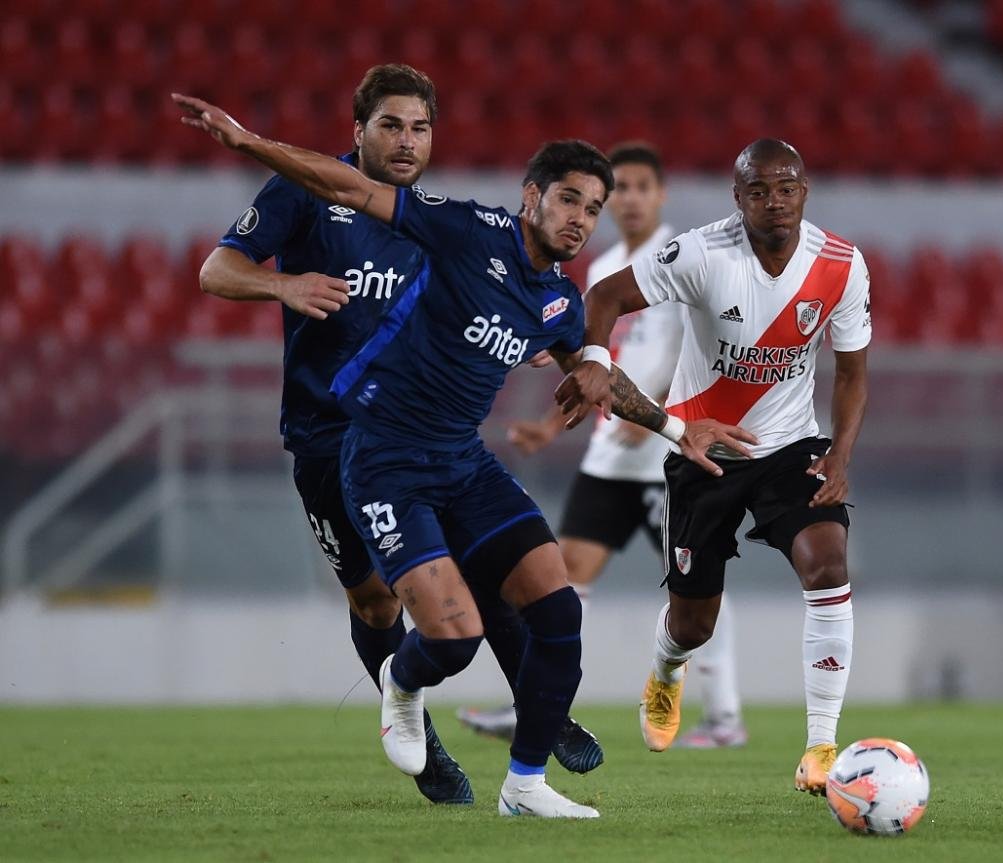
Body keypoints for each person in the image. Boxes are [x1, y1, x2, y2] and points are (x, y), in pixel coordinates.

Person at [173, 91, 755, 818]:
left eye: (592, 208)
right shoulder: (456, 226)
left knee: (547, 600)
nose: (581, 217)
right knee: (412, 616)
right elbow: (329, 197)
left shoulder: (555, 298)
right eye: (568, 200)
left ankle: (527, 772)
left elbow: (593, 370)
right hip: (355, 442)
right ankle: (405, 693)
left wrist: (674, 427)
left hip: (456, 456)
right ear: (532, 196)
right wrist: (248, 147)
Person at [193, 65, 594, 807]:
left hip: (429, 436)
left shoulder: (437, 220)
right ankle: (417, 729)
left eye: (421, 128)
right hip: (328, 434)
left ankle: (540, 713)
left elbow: (507, 304)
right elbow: (217, 269)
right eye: (391, 126)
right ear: (358, 130)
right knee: (379, 604)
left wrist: (539, 337)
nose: (407, 141)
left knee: (490, 571)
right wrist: (283, 284)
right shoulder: (309, 190)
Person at [555, 139, 871, 796]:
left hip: (790, 448)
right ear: (738, 198)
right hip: (704, 453)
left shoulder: (841, 265)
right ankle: (666, 669)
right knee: (693, 622)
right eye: (759, 191)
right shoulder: (702, 253)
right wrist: (595, 362)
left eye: (786, 188)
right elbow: (604, 297)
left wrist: (840, 454)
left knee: (828, 565)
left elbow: (851, 374)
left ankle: (821, 746)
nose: (775, 202)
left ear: (805, 191)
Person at [458, 142, 748, 749]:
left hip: (667, 457)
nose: (632, 200)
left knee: (696, 590)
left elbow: (704, 347)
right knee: (561, 578)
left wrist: (658, 408)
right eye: (623, 191)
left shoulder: (684, 258)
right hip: (611, 458)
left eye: (644, 187)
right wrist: (549, 421)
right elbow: (589, 360)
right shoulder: (604, 269)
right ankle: (536, 701)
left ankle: (723, 717)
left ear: (661, 195)